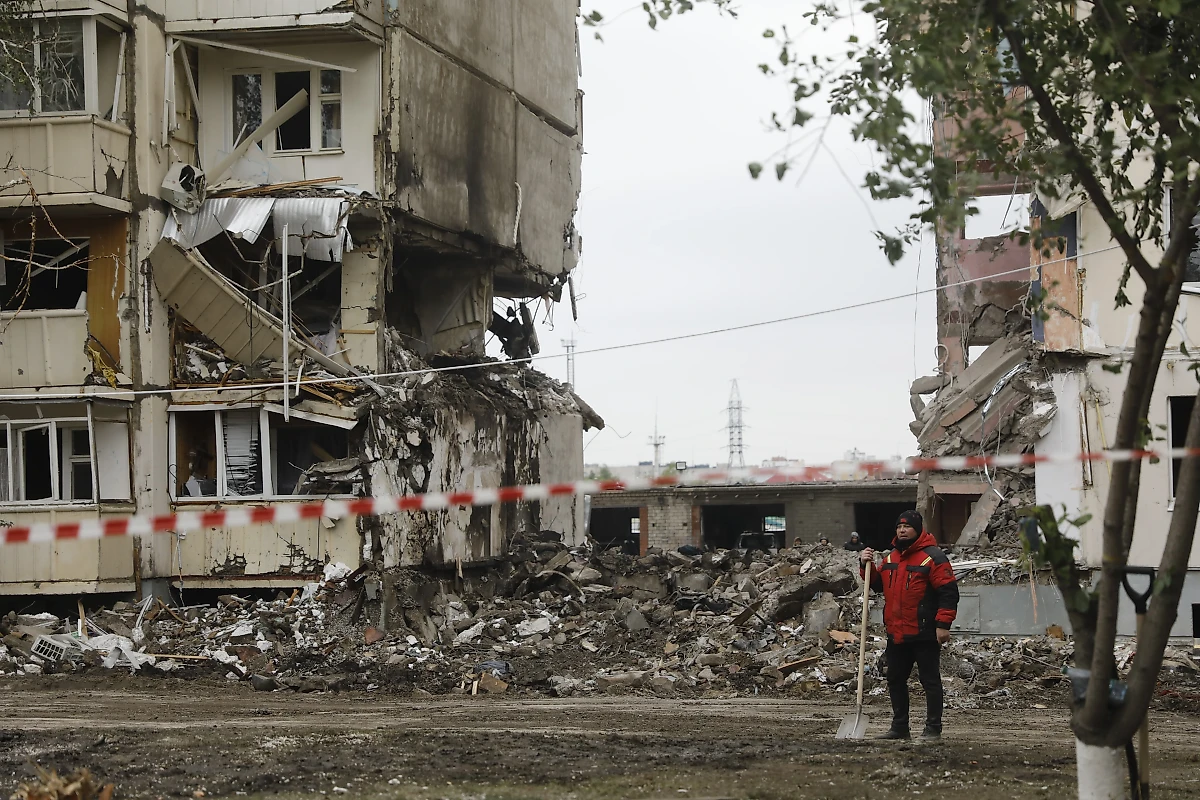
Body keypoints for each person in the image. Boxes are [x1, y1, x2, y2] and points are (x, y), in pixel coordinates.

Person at [860, 510, 959, 741]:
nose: (902, 530)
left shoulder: (933, 557)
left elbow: (948, 592)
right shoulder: (891, 558)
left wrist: (943, 624)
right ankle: (900, 727)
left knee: (929, 681)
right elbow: (877, 585)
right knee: (895, 678)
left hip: (924, 631)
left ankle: (933, 728)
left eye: (907, 527)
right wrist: (865, 565)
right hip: (897, 632)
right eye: (899, 527)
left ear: (918, 529)